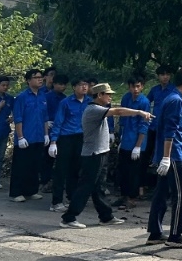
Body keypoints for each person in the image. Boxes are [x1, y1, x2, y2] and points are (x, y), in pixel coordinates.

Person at [60, 83, 152, 229]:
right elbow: (119, 112)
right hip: (93, 154)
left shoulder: (99, 109)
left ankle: (106, 216)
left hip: (100, 152)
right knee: (86, 186)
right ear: (99, 95)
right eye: (108, 94)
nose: (110, 97)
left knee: (99, 188)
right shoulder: (93, 109)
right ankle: (69, 217)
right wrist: (140, 112)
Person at [146, 66, 182, 248]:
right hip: (174, 154)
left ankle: (155, 232)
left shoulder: (173, 98)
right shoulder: (176, 101)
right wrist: (167, 157)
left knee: (161, 193)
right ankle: (175, 235)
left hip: (166, 153)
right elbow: (170, 131)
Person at [48, 79, 91, 211]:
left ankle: (72, 198)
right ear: (74, 87)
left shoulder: (90, 102)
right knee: (61, 170)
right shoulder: (66, 102)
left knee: (76, 169)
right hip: (66, 137)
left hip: (81, 138)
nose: (84, 87)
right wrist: (53, 141)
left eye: (86, 85)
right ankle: (56, 201)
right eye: (81, 85)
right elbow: (58, 121)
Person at [10, 69, 50, 202]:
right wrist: (20, 137)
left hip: (38, 136)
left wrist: (46, 135)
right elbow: (18, 118)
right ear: (28, 80)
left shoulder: (42, 96)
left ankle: (31, 191)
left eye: (41, 77)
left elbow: (45, 117)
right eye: (36, 77)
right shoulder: (22, 97)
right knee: (21, 166)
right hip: (26, 137)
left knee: (35, 165)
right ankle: (16, 192)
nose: (40, 79)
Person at [114, 77, 150, 209]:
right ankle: (123, 195)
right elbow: (123, 120)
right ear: (129, 87)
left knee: (134, 171)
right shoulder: (126, 98)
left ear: (142, 87)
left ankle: (132, 198)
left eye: (138, 86)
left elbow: (144, 125)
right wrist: (121, 139)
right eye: (133, 86)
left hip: (137, 141)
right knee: (123, 169)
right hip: (126, 139)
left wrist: (138, 146)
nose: (135, 89)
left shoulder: (144, 102)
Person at [144, 68, 174, 181]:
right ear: (158, 76)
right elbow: (146, 102)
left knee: (164, 153)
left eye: (167, 74)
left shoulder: (173, 90)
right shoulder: (155, 90)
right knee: (148, 151)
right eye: (162, 74)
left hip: (167, 126)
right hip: (154, 125)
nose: (165, 77)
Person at [39, 72, 66, 191]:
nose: (62, 87)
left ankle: (56, 181)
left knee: (60, 159)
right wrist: (47, 122)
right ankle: (44, 181)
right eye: (60, 84)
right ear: (54, 84)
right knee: (46, 159)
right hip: (48, 131)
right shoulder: (47, 97)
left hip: (61, 131)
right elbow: (41, 113)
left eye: (64, 84)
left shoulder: (65, 99)